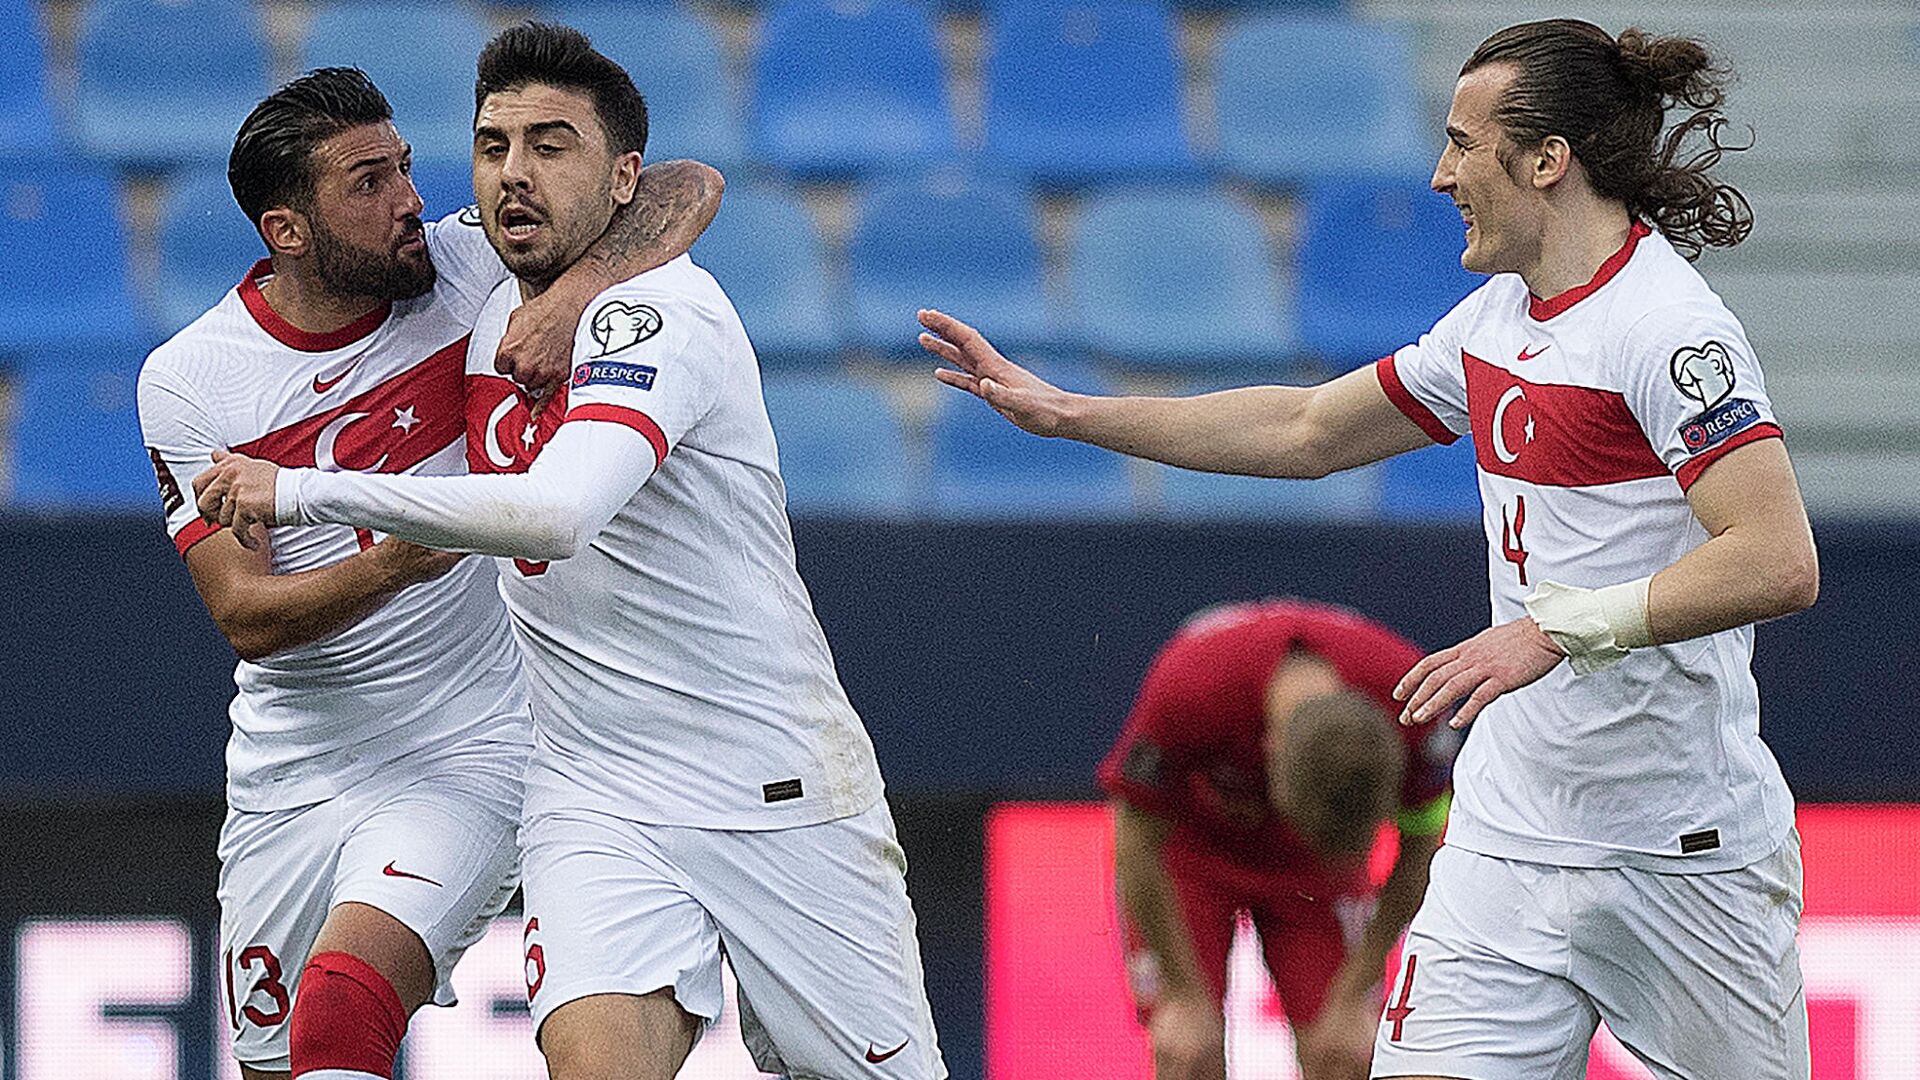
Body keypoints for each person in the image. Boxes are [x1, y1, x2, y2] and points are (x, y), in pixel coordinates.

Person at [916, 18, 1817, 1080]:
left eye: (1462, 144)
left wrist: (1556, 631)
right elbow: (1308, 432)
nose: (1439, 177)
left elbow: (1774, 559)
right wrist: (1073, 414)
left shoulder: (1670, 333)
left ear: (1546, 159)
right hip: (1508, 838)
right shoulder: (1494, 321)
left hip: (1680, 852)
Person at [192, 24, 946, 1080]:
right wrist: (554, 292)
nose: (514, 173)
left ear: (620, 176)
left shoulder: (664, 312)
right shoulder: (468, 293)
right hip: (593, 794)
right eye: (494, 146)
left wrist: (303, 489)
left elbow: (554, 515)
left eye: (553, 146)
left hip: (773, 789)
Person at [137, 66, 718, 1080]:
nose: (410, 199)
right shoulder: (191, 380)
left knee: (340, 1008)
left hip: (472, 745)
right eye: (368, 184)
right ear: (287, 232)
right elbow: (247, 616)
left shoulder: (460, 262)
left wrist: (573, 291)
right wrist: (399, 564)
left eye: (403, 166)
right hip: (291, 771)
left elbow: (685, 186)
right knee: (284, 1061)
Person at [1104, 599, 1454, 1080]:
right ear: (1266, 752)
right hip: (1191, 855)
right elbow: (1137, 843)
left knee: (1346, 1054)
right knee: (1189, 1054)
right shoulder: (1193, 685)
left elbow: (1421, 849)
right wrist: (1185, 997)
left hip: (1315, 881)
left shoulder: (1412, 698)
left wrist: (1357, 990)